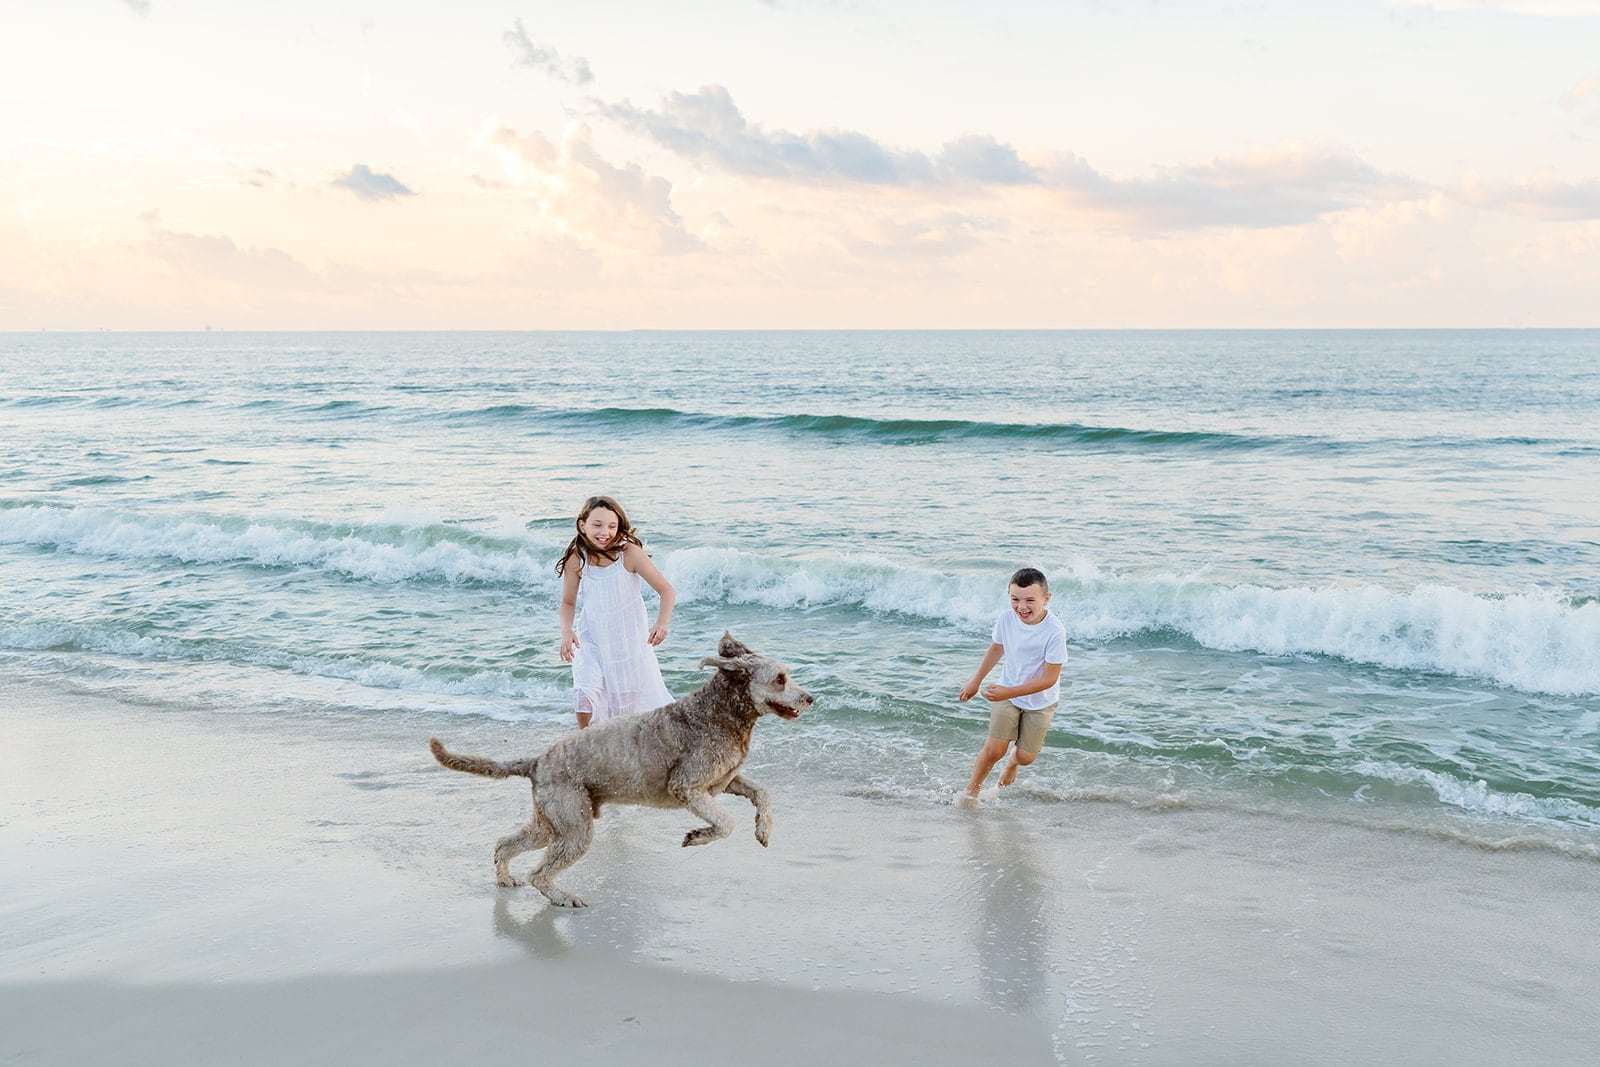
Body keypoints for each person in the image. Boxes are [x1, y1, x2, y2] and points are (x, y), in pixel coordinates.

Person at [556, 494, 676, 728]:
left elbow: (666, 590)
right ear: (583, 525)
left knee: (624, 711)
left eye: (612, 526)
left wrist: (662, 623)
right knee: (584, 694)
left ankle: (618, 751)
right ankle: (585, 743)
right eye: (597, 525)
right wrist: (566, 631)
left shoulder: (628, 554)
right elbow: (568, 602)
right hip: (592, 639)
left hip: (628, 642)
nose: (605, 532)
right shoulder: (577, 558)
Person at [957, 567, 1068, 804]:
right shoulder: (1006, 619)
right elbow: (997, 648)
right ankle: (971, 793)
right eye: (1015, 599)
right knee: (994, 749)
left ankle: (1012, 763)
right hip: (1007, 693)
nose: (1021, 607)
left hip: (1041, 701)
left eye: (1030, 600)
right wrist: (975, 681)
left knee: (1027, 757)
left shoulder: (1055, 631)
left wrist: (1009, 691)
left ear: (1046, 599)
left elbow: (1049, 679)